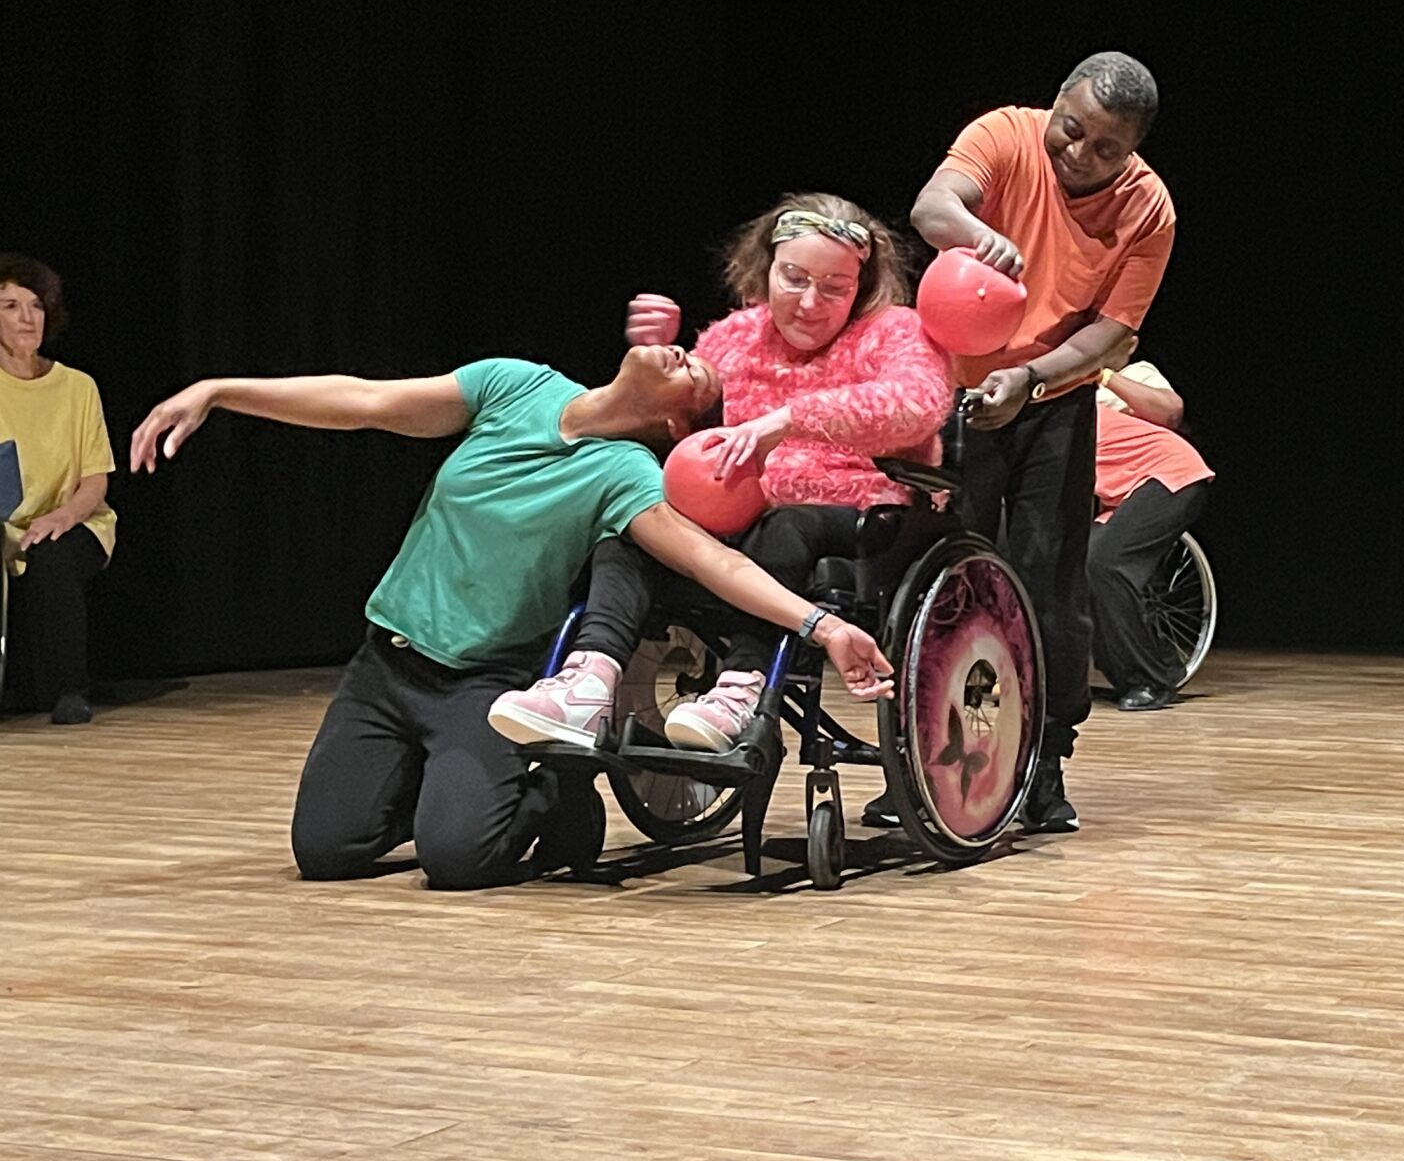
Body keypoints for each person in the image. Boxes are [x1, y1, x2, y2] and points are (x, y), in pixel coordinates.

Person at [129, 344, 896, 889]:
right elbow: (364, 401)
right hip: (385, 664)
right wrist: (221, 388)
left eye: (693, 373)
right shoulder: (515, 385)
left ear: (674, 428)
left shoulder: (624, 474)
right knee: (328, 850)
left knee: (460, 864)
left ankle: (554, 795)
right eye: (684, 350)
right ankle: (443, 789)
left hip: (483, 684)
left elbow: (712, 562)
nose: (680, 355)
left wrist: (823, 628)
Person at [487, 194, 949, 754]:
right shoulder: (734, 337)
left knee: (785, 527)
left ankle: (741, 687)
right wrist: (653, 365)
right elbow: (681, 429)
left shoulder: (894, 330)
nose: (809, 302)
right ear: (767, 268)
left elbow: (918, 403)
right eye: (794, 278)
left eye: (834, 288)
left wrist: (790, 420)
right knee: (634, 528)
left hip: (857, 515)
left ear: (862, 285)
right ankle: (588, 680)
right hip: (732, 514)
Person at [897, 50, 1176, 832]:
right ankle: (917, 766)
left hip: (1054, 397)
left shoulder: (1149, 209)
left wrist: (1032, 381)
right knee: (941, 573)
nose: (1080, 155)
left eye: (1106, 149)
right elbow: (933, 206)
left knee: (1049, 584)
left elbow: (1113, 334)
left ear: (1134, 150)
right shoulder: (1008, 135)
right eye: (1073, 130)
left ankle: (1043, 765)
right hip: (955, 386)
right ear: (1057, 102)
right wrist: (978, 234)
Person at [1, 256, 118, 725]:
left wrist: (61, 517)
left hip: (75, 519)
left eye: (35, 305)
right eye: (10, 305)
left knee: (52, 555)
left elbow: (95, 479)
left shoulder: (77, 387)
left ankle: (67, 689)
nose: (27, 318)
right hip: (4, 524)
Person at [1088, 358, 1213, 709]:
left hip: (1170, 474)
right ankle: (1158, 663)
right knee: (1080, 566)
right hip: (1125, 492)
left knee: (1103, 564)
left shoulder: (1080, 409)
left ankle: (1150, 681)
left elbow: (1172, 412)